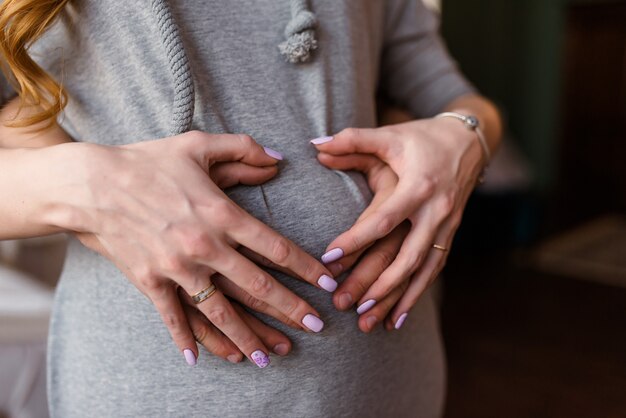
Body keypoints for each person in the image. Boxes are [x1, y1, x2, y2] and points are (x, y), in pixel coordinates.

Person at [0, 0, 502, 416]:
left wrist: (465, 137)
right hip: (164, 385)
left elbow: (444, 92)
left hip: (390, 371)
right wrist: (95, 186)